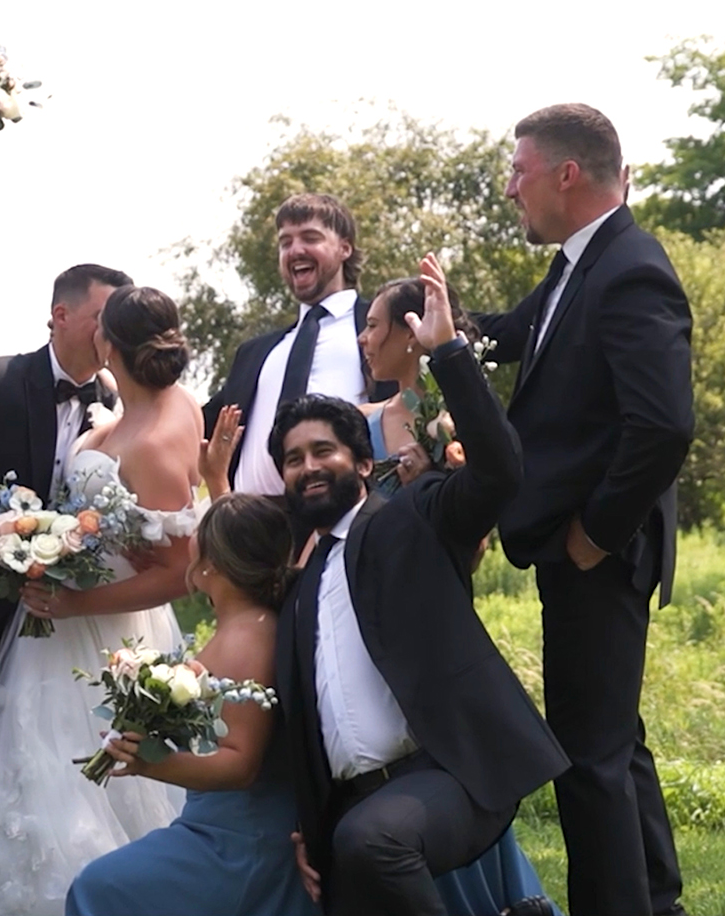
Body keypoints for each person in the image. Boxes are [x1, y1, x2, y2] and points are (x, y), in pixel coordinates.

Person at [271, 254, 569, 915]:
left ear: (364, 463)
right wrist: (308, 828)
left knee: (374, 839)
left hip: (449, 773)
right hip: (351, 809)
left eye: (323, 451)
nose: (308, 467)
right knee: (357, 843)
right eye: (293, 459)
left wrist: (449, 356)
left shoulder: (412, 515)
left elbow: (498, 471)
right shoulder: (296, 594)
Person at [474, 104, 694, 916]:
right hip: (581, 548)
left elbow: (663, 425)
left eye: (519, 171)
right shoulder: (578, 264)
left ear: (566, 174)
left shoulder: (630, 268)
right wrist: (428, 322)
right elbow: (509, 335)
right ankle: (659, 901)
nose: (510, 189)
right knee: (615, 743)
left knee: (588, 758)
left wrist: (596, 533)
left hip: (600, 551)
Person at [0, 285, 203, 916]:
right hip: (56, 625)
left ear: (110, 342)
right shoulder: (144, 405)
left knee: (87, 779)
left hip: (102, 628)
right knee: (33, 776)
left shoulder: (154, 437)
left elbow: (181, 573)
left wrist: (75, 603)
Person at [358, 275, 557, 915]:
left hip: (433, 610)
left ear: (410, 334)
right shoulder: (358, 425)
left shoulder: (454, 419)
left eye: (373, 325)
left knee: (448, 747)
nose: (363, 338)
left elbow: (479, 515)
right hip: (366, 621)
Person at [0, 261, 132, 817]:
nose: (115, 332)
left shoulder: (117, 404)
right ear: (61, 315)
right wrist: (0, 530)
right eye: (104, 317)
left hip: (65, 626)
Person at [65, 493, 319, 916]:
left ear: (213, 564)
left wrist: (148, 763)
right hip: (223, 827)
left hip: (239, 842)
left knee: (99, 889)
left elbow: (241, 764)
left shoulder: (247, 638)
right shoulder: (244, 625)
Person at [202, 192, 393, 497]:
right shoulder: (255, 353)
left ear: (345, 248)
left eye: (310, 238)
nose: (295, 250)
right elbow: (196, 425)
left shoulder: (383, 328)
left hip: (348, 514)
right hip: (253, 518)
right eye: (285, 242)